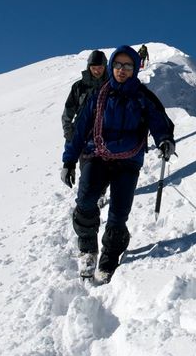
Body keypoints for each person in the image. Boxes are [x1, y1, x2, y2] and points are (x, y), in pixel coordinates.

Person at [60, 45, 175, 283]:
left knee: (118, 214)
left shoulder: (143, 97)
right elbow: (80, 129)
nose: (122, 70)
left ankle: (110, 254)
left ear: (135, 68)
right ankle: (88, 249)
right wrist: (69, 160)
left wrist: (164, 140)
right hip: (97, 156)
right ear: (112, 67)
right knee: (86, 200)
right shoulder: (98, 96)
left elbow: (160, 121)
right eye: (118, 65)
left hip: (129, 162)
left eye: (128, 66)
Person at [61, 50, 108, 144]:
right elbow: (68, 110)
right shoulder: (79, 86)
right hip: (82, 134)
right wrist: (68, 131)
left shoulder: (111, 85)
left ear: (105, 67)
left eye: (100, 68)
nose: (96, 71)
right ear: (88, 67)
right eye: (93, 67)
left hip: (106, 135)